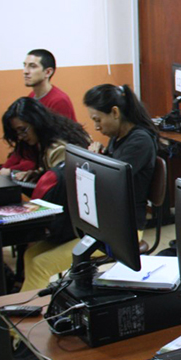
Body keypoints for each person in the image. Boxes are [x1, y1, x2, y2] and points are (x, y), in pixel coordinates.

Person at [20, 84, 158, 292]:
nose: (96, 127)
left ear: (115, 112)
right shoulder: (118, 138)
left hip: (122, 231)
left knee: (41, 264)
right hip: (100, 223)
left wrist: (97, 159)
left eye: (97, 120)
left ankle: (27, 319)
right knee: (30, 255)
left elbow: (113, 184)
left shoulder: (139, 141)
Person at [0, 97, 90, 184]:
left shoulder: (58, 149)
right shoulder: (50, 136)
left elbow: (61, 186)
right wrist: (38, 174)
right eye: (16, 133)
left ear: (36, 123)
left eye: (23, 130)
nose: (21, 137)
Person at [24, 49, 76, 121]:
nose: (25, 71)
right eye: (25, 65)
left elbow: (63, 131)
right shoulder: (32, 96)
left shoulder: (59, 101)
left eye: (32, 66)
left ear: (48, 72)